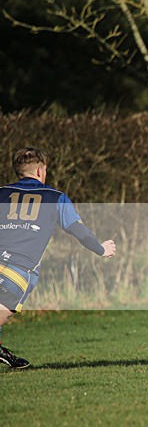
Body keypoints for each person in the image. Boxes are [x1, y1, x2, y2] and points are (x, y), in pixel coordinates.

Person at [0, 147, 116, 369]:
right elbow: (79, 231)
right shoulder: (55, 197)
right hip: (20, 269)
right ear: (41, 171)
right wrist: (101, 249)